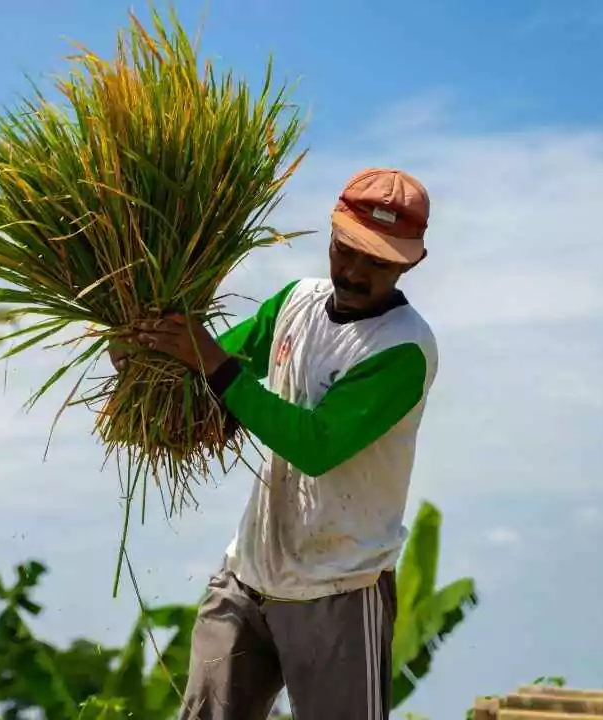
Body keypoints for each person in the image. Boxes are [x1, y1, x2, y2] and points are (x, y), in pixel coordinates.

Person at [110, 168, 438, 720]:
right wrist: (140, 350)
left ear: (410, 262)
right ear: (331, 233)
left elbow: (314, 445)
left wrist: (212, 363)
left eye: (377, 262)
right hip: (248, 575)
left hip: (338, 587)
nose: (354, 272)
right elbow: (209, 372)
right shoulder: (297, 303)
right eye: (346, 250)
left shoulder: (402, 349)